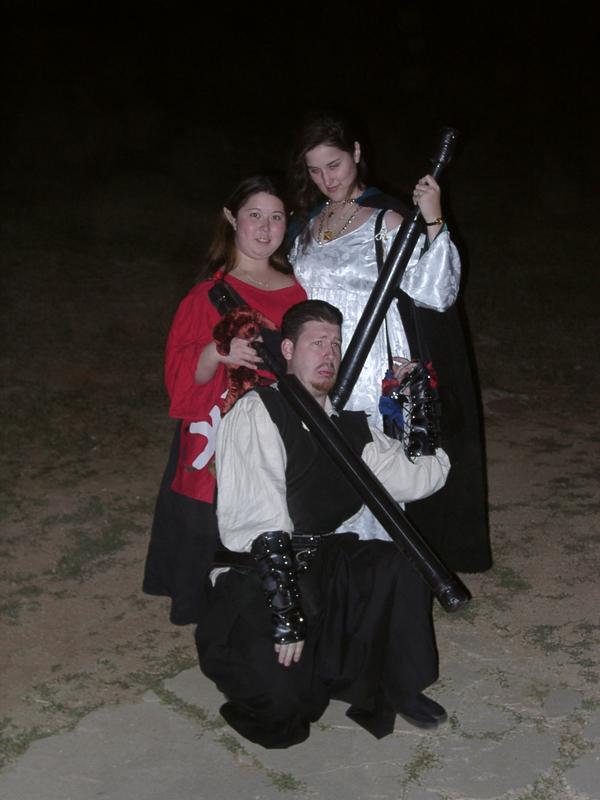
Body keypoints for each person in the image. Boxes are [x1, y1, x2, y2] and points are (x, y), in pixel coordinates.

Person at [196, 299, 451, 748]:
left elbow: (422, 477)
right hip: (261, 575)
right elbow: (260, 521)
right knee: (283, 714)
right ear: (288, 350)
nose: (329, 353)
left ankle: (399, 687)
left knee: (400, 565)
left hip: (326, 567)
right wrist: (286, 615)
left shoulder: (351, 429)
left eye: (335, 344)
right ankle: (272, 667)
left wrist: (419, 403)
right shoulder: (259, 412)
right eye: (317, 343)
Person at [286, 111, 491, 573]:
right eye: (315, 170)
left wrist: (434, 219)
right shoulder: (310, 224)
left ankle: (377, 574)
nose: (326, 179)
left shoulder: (387, 220)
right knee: (320, 460)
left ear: (356, 153)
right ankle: (326, 566)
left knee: (370, 463)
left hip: (369, 359)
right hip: (316, 359)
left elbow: (437, 293)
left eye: (334, 165)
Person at [142, 175, 307, 625]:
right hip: (219, 432)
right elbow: (181, 377)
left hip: (281, 430)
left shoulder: (301, 289)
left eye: (276, 217)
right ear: (232, 218)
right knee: (215, 518)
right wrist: (217, 352)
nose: (265, 228)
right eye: (254, 215)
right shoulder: (206, 296)